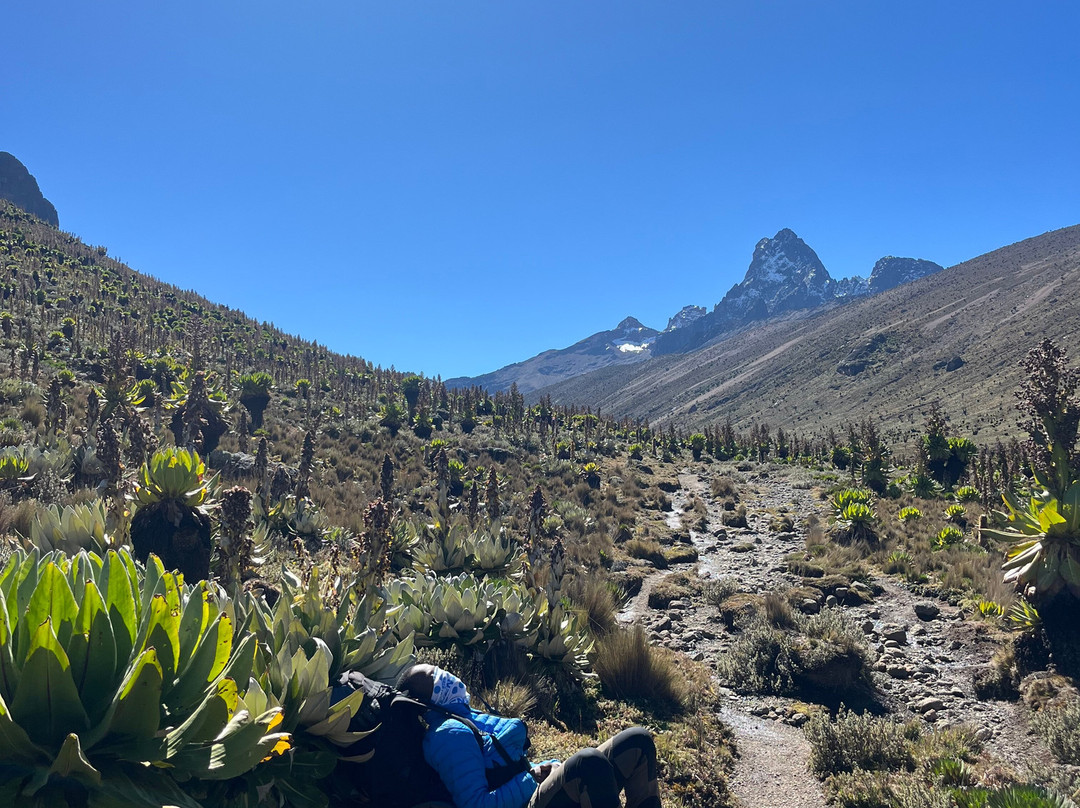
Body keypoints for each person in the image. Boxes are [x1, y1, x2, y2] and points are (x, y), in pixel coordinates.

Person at [398, 664, 661, 808]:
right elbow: (477, 804)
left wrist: (540, 769)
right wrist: (533, 777)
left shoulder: (462, 715)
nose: (445, 675)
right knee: (589, 764)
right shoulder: (448, 735)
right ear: (426, 700)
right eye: (435, 677)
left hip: (530, 792)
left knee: (637, 742)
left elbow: (503, 766)